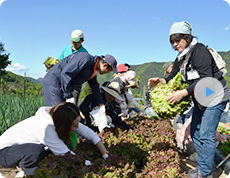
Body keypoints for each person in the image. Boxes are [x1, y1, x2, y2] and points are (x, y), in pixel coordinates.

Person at [148, 21, 230, 177]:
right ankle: (204, 166)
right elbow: (172, 77)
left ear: (187, 37)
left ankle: (205, 173)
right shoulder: (181, 58)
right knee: (195, 132)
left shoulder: (200, 52)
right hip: (201, 98)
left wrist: (183, 93)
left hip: (216, 95)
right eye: (172, 41)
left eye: (178, 40)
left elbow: (206, 79)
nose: (175, 44)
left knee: (206, 134)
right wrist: (159, 80)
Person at [0, 102, 114, 176]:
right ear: (63, 124)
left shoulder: (60, 116)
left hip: (22, 149)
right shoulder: (46, 127)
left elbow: (89, 133)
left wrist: (105, 155)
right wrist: (92, 165)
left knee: (45, 153)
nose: (77, 128)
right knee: (36, 152)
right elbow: (65, 154)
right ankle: (27, 173)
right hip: (4, 153)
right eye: (74, 125)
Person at [43, 52, 117, 108]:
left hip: (64, 84)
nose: (106, 73)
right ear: (104, 66)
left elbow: (95, 88)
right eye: (108, 71)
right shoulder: (85, 59)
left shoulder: (93, 70)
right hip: (54, 81)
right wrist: (68, 96)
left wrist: (101, 104)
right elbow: (66, 74)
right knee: (57, 110)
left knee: (66, 112)